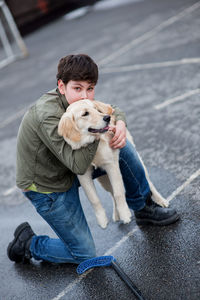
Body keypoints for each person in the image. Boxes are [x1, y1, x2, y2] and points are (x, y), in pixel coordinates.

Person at [7, 54, 179, 264]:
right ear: (61, 86)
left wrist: (120, 124)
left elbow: (111, 108)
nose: (85, 95)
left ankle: (142, 207)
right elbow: (78, 165)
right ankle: (29, 243)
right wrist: (100, 129)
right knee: (84, 254)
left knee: (120, 144)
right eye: (77, 88)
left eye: (90, 88)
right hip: (48, 187)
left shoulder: (81, 102)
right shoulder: (48, 116)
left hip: (68, 170)